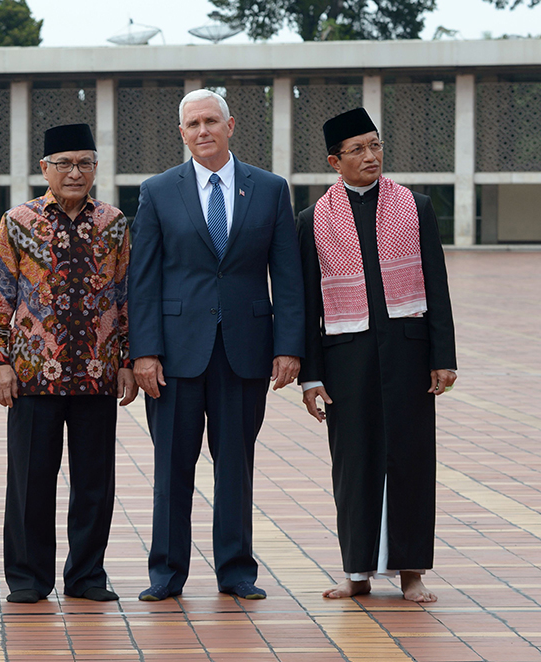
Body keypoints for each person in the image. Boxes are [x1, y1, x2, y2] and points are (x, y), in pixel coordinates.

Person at [128, 89, 304, 602]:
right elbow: (143, 280)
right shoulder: (159, 191)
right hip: (176, 355)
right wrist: (144, 352)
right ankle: (166, 574)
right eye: (192, 124)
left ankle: (236, 572)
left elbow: (287, 277)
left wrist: (289, 346)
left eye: (210, 121)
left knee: (236, 468)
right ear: (181, 134)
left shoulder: (270, 190)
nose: (202, 130)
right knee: (171, 469)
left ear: (231, 125)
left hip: (245, 351)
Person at [297, 108, 456, 603]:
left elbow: (437, 286)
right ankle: (357, 572)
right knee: (353, 464)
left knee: (411, 459)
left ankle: (412, 572)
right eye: (358, 150)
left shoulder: (417, 207)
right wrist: (310, 377)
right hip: (346, 360)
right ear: (334, 161)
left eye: (376, 145)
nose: (371, 156)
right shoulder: (311, 221)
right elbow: (306, 306)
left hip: (408, 357)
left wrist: (442, 355)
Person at [0, 123, 136, 604]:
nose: (75, 172)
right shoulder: (19, 221)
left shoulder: (114, 223)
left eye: (84, 163)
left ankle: (87, 575)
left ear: (95, 167)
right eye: (64, 163)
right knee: (30, 482)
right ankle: (28, 578)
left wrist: (127, 360)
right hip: (31, 375)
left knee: (94, 482)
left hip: (97, 372)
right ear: (44, 168)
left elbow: (125, 294)